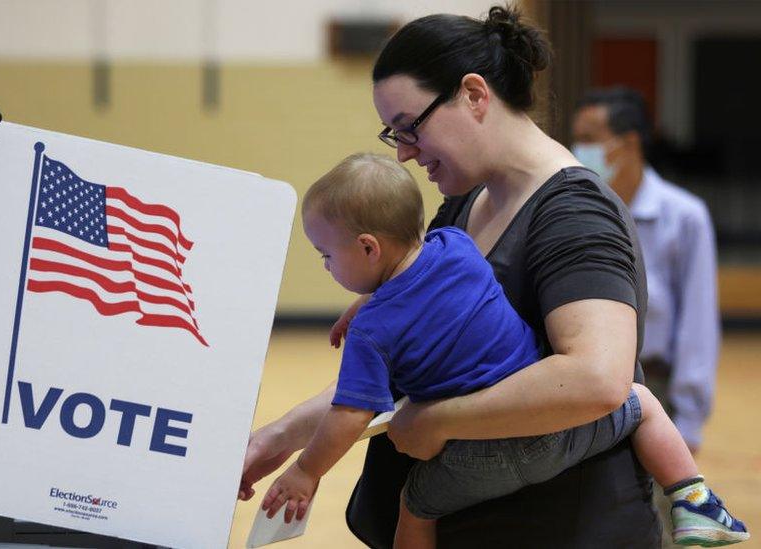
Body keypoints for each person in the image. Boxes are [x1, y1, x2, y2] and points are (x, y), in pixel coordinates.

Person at [239, 6, 660, 547]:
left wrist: (438, 421)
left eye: (411, 128)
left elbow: (597, 379)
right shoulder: (464, 201)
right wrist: (277, 439)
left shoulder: (573, 212)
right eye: (394, 136)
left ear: (474, 94)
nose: (408, 154)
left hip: (558, 528)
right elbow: (388, 368)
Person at [258, 152, 747, 547]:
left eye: (326, 254)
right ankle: (695, 500)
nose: (325, 265)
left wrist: (305, 471)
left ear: (368, 248)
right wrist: (369, 299)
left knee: (416, 503)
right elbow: (418, 278)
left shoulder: (372, 335)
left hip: (481, 452)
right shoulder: (455, 244)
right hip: (556, 422)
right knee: (642, 403)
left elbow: (351, 413)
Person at [572, 86, 722, 548]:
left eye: (590, 138)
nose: (581, 151)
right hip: (586, 386)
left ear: (629, 143)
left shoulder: (683, 216)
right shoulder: (575, 207)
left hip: (657, 390)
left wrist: (690, 418)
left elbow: (698, 322)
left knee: (661, 519)